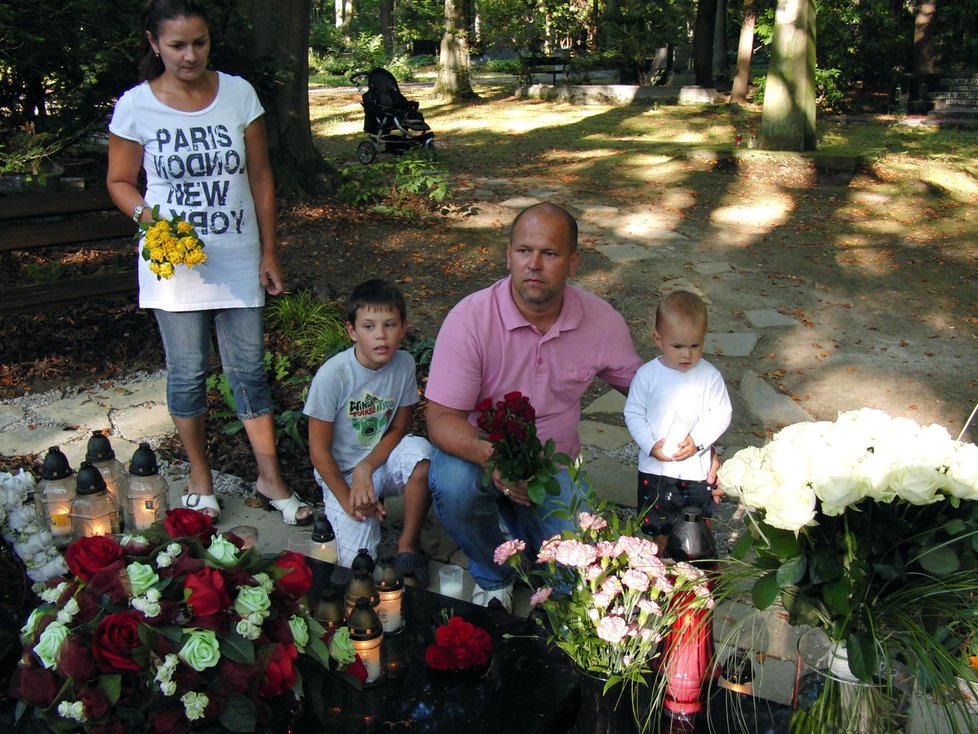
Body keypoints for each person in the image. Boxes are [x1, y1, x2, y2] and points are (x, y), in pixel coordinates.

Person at [105, 0, 310, 525]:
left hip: (238, 259)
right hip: (174, 270)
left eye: (199, 42)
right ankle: (201, 475)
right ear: (154, 44)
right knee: (188, 374)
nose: (190, 54)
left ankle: (270, 477)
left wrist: (269, 251)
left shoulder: (239, 94)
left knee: (249, 373)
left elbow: (261, 177)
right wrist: (153, 224)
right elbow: (120, 181)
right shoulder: (135, 106)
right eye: (177, 45)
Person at [424, 202, 643, 612]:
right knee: (454, 485)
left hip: (554, 465)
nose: (534, 264)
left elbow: (646, 390)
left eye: (550, 253)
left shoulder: (601, 321)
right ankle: (494, 574)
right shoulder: (470, 320)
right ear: (508, 255)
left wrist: (697, 441)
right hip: (480, 454)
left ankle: (514, 530)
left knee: (576, 577)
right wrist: (497, 463)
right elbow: (439, 419)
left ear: (573, 262)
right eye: (524, 251)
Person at [304, 280, 433, 586]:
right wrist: (349, 497)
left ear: (403, 328)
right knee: (357, 565)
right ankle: (346, 515)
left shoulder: (404, 363)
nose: (380, 335)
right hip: (340, 473)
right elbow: (319, 452)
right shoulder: (333, 375)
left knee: (423, 456)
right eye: (369, 326)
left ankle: (408, 548)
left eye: (390, 325)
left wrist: (367, 466)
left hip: (379, 460)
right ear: (351, 331)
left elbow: (401, 427)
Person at [623, 290, 732, 547]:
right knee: (658, 524)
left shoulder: (709, 376)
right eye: (678, 346)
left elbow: (721, 413)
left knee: (695, 527)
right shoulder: (647, 375)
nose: (687, 354)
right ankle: (663, 568)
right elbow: (634, 412)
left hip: (694, 469)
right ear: (658, 339)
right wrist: (650, 445)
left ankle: (694, 570)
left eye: (695, 345)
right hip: (655, 468)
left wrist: (698, 441)